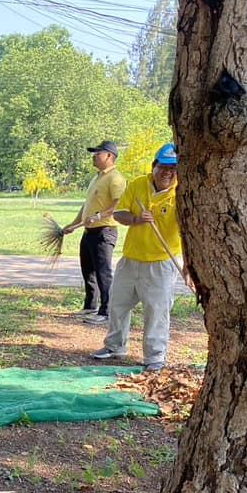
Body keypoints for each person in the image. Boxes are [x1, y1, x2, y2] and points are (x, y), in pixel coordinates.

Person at [91, 143, 186, 373]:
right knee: (117, 304)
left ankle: (155, 356)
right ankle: (114, 346)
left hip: (161, 262)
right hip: (131, 259)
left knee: (156, 310)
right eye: (163, 166)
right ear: (154, 166)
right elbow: (119, 212)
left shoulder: (182, 193)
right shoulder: (137, 185)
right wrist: (135, 219)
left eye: (173, 168)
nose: (168, 172)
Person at [61, 141, 127, 326]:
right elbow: (86, 206)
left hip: (104, 231)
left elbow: (118, 204)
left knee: (103, 272)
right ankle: (90, 306)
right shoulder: (97, 178)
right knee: (88, 270)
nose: (94, 156)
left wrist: (98, 217)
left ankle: (106, 312)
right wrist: (73, 225)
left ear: (109, 156)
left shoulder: (116, 179)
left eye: (98, 153)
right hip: (89, 231)